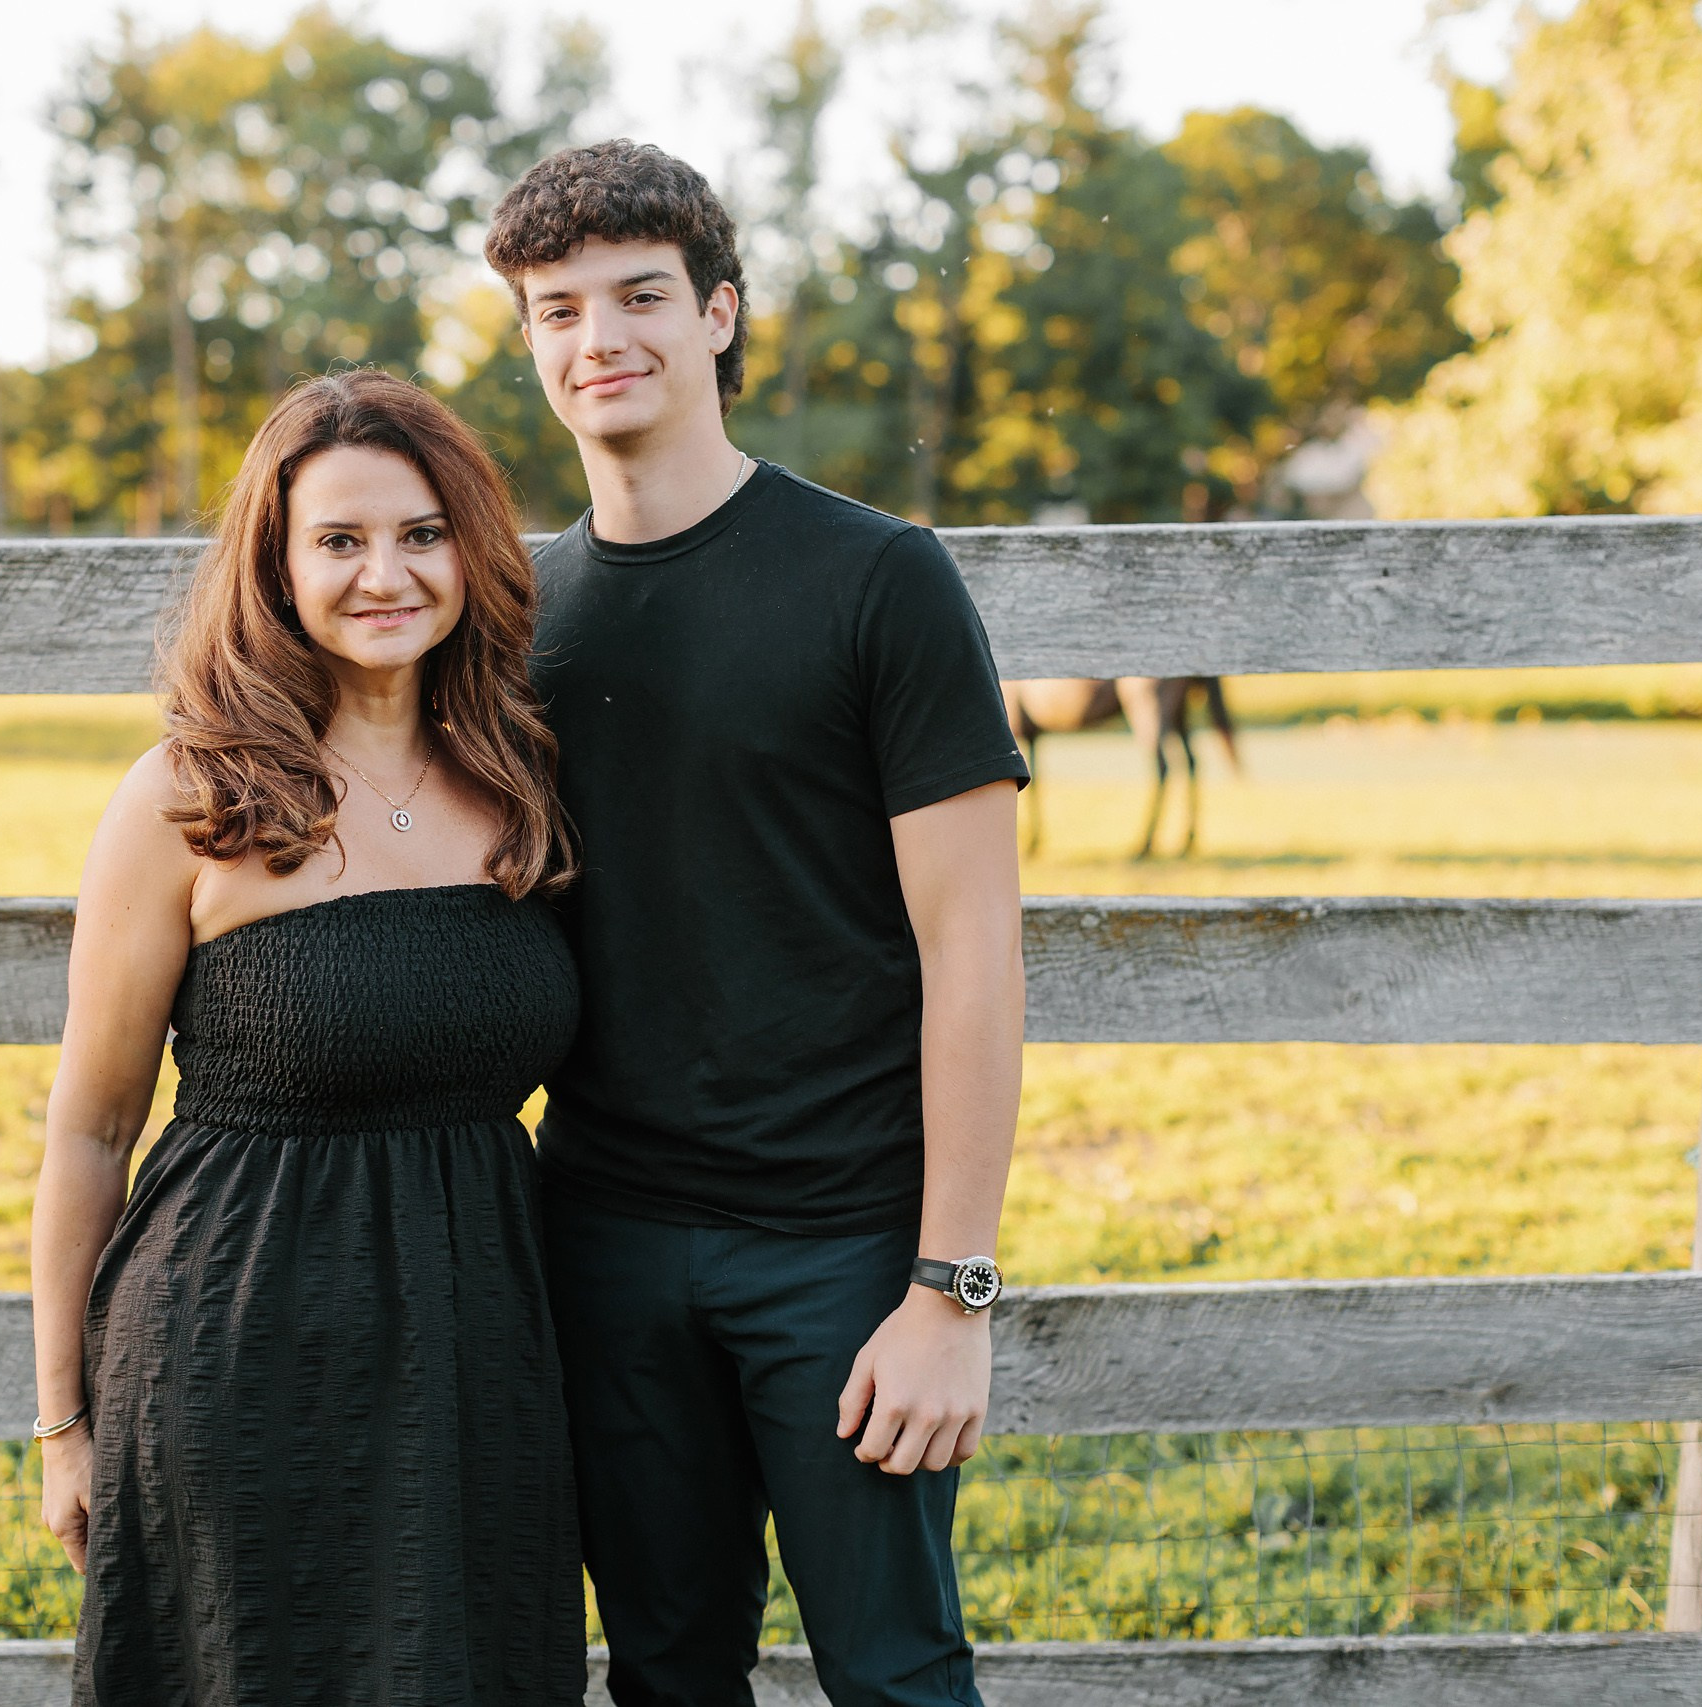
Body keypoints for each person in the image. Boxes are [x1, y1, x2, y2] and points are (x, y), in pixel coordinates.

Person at [485, 141, 1028, 1707]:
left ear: (720, 313)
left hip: (847, 1250)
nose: (602, 338)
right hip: (602, 1240)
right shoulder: (518, 621)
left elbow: (974, 954)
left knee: (898, 1673)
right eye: (559, 308)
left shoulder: (881, 580)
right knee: (662, 1670)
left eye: (642, 296)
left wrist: (952, 1290)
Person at [28, 370, 586, 1707]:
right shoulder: (187, 793)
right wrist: (64, 1423)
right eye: (338, 540)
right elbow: (92, 1125)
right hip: (242, 1343)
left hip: (482, 1350)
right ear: (276, 567)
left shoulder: (518, 773)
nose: (383, 573)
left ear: (471, 548)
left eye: (421, 533)